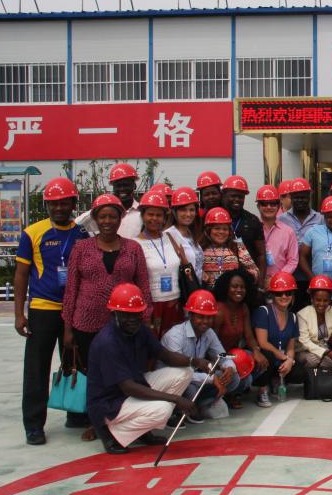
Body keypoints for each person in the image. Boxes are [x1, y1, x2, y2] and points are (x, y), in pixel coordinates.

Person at [62, 194, 151, 438]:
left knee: (124, 374)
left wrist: (145, 317)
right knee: (95, 376)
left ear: (121, 218)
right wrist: (68, 328)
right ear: (95, 219)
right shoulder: (81, 248)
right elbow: (71, 289)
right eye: (102, 217)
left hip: (124, 324)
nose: (107, 221)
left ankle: (120, 418)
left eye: (113, 216)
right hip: (87, 322)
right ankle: (96, 422)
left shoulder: (133, 248)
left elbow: (143, 285)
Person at [87, 283, 206, 455]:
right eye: (127, 315)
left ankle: (141, 431)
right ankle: (111, 434)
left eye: (137, 314)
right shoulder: (108, 342)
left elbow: (164, 355)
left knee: (185, 372)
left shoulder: (139, 329)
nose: (133, 319)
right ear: (115, 314)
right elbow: (128, 387)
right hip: (110, 402)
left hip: (133, 387)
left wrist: (195, 361)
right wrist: (175, 399)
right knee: (163, 410)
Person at [15, 177, 91, 445]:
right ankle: (34, 425)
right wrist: (19, 314)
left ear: (73, 204)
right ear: (47, 205)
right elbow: (21, 274)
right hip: (43, 309)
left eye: (64, 203)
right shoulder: (32, 233)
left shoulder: (81, 234)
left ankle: (76, 413)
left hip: (74, 310)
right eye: (54, 203)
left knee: (74, 363)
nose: (59, 208)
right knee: (37, 368)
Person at [160, 290, 246, 421]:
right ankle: (180, 410)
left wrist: (229, 367)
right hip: (172, 380)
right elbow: (178, 373)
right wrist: (212, 378)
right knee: (190, 390)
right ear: (190, 315)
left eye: (209, 317)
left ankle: (198, 405)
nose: (205, 321)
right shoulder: (175, 336)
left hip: (193, 377)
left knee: (234, 378)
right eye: (201, 317)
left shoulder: (208, 332)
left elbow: (222, 355)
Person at [212, 268, 267, 408]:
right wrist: (225, 362)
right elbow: (211, 345)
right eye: (234, 286)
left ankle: (234, 392)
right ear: (226, 288)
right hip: (218, 357)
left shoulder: (243, 308)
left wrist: (256, 351)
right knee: (246, 378)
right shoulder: (219, 311)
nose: (239, 290)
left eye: (242, 287)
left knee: (261, 361)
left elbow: (249, 336)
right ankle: (228, 394)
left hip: (234, 354)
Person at [135, 190, 183, 338]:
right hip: (152, 305)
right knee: (152, 345)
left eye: (159, 215)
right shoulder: (135, 244)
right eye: (150, 214)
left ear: (164, 217)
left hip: (174, 302)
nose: (154, 218)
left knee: (174, 344)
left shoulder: (170, 238)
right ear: (143, 215)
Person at [251, 272, 301, 407]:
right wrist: (282, 356)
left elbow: (291, 347)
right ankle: (262, 390)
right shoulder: (264, 311)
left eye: (288, 293)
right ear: (272, 295)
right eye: (279, 293)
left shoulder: (293, 317)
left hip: (281, 359)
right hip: (267, 358)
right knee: (267, 354)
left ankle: (275, 380)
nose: (284, 296)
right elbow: (262, 342)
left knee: (300, 370)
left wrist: (289, 361)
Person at [278, 178, 324, 304]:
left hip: (313, 275)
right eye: (296, 197)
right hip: (290, 277)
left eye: (303, 197)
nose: (300, 200)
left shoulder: (320, 219)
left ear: (309, 196)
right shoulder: (281, 219)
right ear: (291, 197)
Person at [295, 275, 332, 373]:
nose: (321, 304)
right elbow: (304, 342)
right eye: (318, 300)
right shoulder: (302, 314)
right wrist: (327, 353)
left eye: (325, 300)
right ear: (312, 298)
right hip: (305, 351)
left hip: (324, 349)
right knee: (313, 360)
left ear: (330, 299)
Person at [75, 162, 143, 239]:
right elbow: (77, 224)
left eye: (126, 185)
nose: (122, 189)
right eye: (118, 186)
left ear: (134, 186)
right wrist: (98, 208)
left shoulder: (142, 212)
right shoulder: (104, 213)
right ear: (113, 187)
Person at [220, 175, 267, 279]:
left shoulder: (253, 220)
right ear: (224, 195)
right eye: (233, 196)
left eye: (241, 197)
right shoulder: (216, 217)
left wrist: (261, 283)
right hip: (220, 276)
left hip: (247, 278)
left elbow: (261, 255)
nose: (237, 199)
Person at [201, 207, 259, 289]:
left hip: (232, 294)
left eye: (225, 229)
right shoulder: (199, 247)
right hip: (207, 293)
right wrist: (201, 274)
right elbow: (193, 271)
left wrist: (239, 276)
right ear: (208, 230)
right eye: (217, 228)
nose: (221, 232)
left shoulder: (237, 245)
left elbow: (255, 271)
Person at [255, 185, 299, 289]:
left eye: (273, 204)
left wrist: (276, 278)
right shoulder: (252, 228)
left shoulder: (288, 232)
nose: (269, 207)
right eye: (264, 204)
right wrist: (260, 279)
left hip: (281, 286)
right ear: (258, 206)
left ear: (279, 206)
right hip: (255, 284)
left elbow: (293, 261)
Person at [168, 187, 204, 285]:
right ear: (174, 211)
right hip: (182, 289)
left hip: (196, 287)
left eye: (192, 210)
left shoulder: (191, 233)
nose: (188, 214)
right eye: (183, 210)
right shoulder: (169, 235)